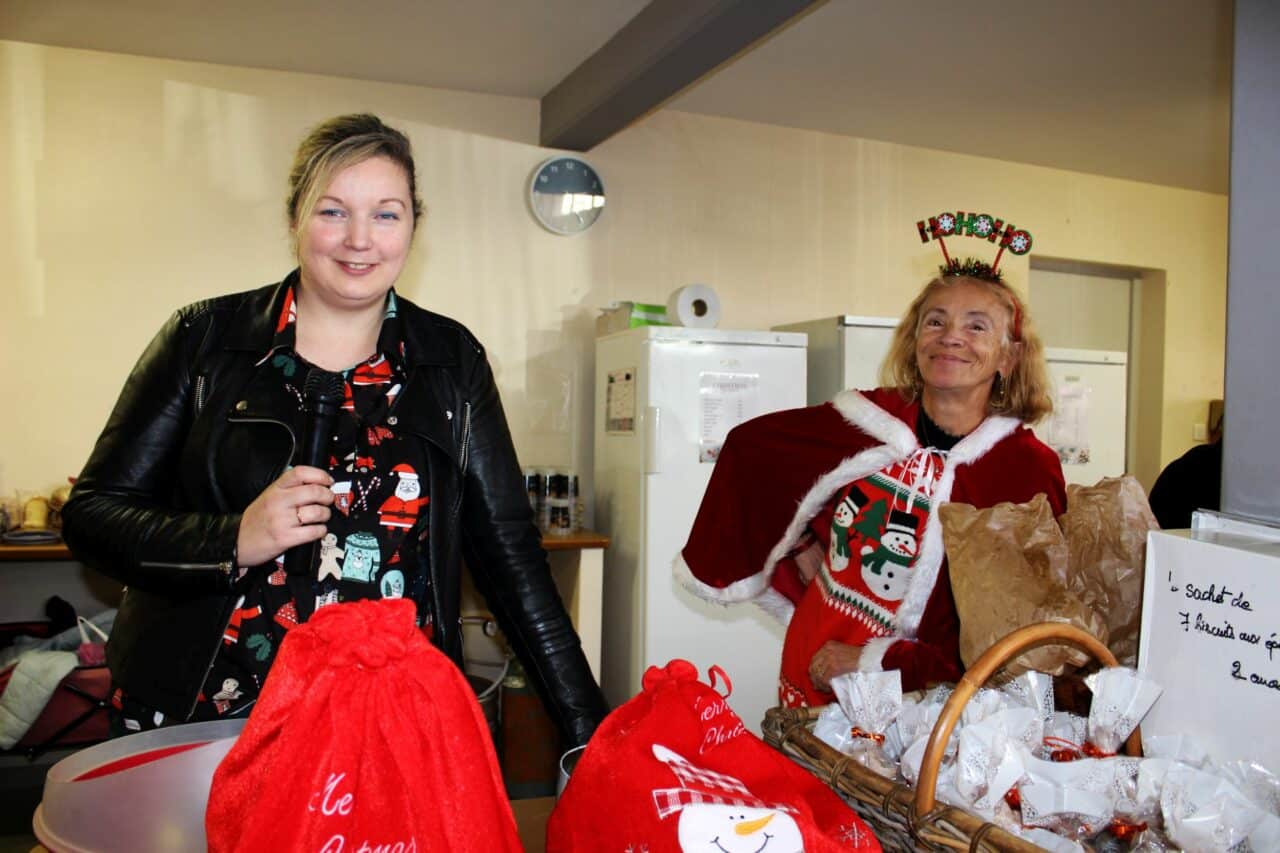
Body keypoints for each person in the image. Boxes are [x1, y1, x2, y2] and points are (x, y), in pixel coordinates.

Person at [62, 114, 607, 746]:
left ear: (412, 227)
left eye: (385, 214)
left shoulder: (451, 361)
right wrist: (232, 538)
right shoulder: (205, 340)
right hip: (210, 712)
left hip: (388, 719)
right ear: (295, 218)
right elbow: (94, 516)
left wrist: (588, 736)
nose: (359, 240)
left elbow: (512, 557)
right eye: (332, 212)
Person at [677, 264, 1067, 707]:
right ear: (915, 339)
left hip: (928, 701)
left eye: (976, 326)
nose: (950, 337)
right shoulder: (864, 422)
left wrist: (876, 661)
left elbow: (1021, 627)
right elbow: (752, 451)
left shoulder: (1025, 470)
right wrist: (801, 543)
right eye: (935, 321)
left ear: (1008, 357)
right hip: (816, 662)